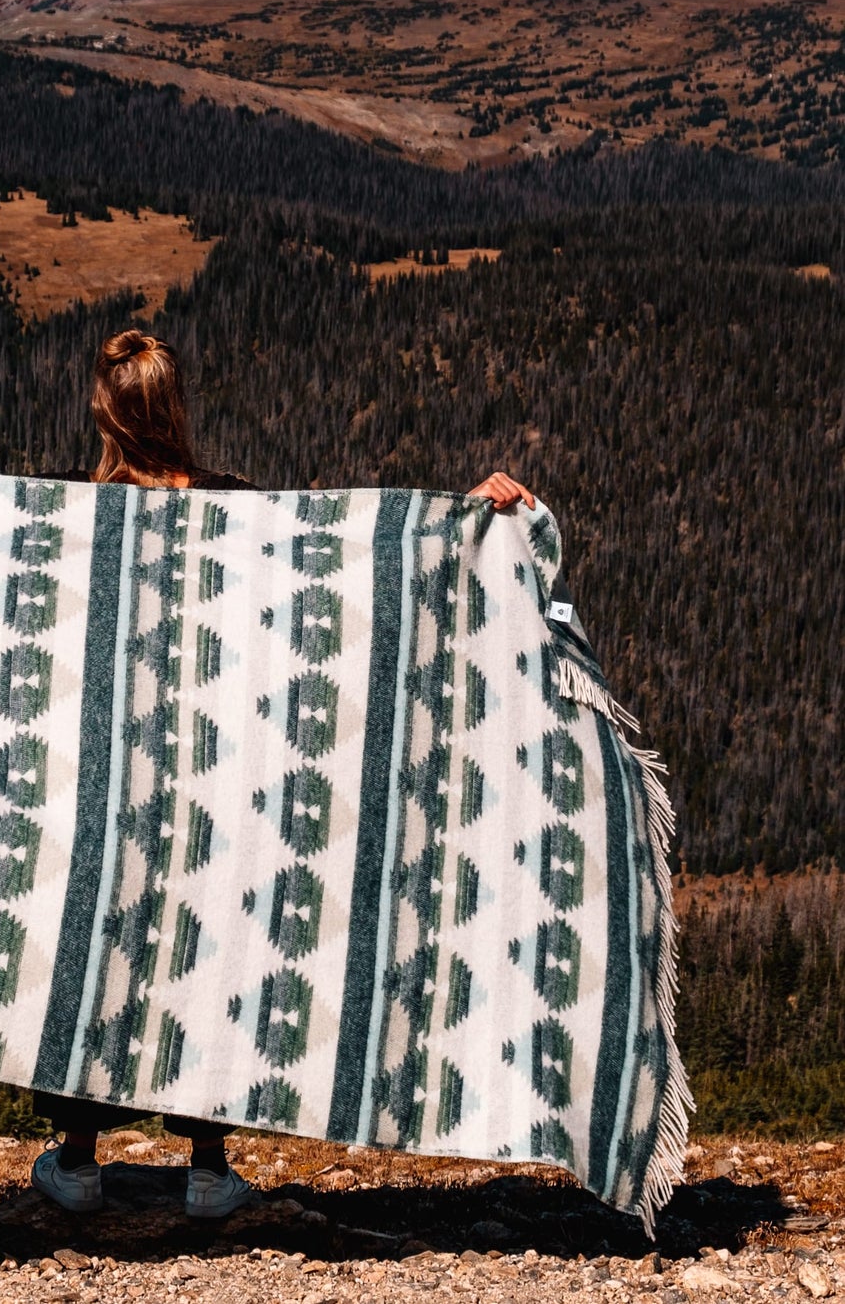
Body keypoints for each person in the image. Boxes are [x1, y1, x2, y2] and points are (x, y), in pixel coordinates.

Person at [29, 328, 534, 1219]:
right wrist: (461, 519)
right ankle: (208, 1167)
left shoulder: (72, 514)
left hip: (107, 776)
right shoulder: (238, 508)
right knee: (210, 947)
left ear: (104, 411)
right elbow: (350, 574)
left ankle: (75, 1159)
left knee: (100, 941)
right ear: (175, 404)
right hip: (221, 776)